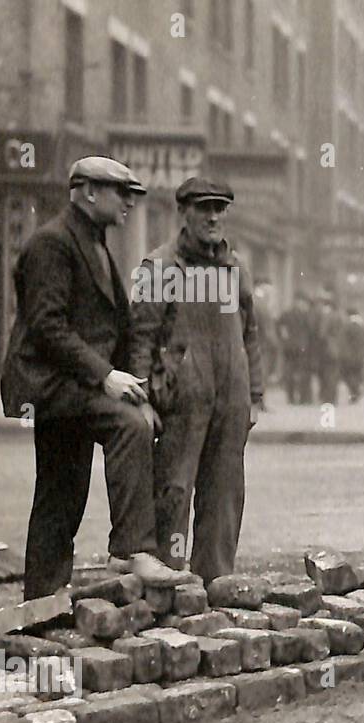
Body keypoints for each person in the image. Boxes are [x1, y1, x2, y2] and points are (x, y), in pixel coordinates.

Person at [0, 156, 190, 598]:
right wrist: (106, 377)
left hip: (73, 385)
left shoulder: (94, 243)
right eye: (120, 193)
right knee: (125, 429)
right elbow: (47, 327)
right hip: (50, 385)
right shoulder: (52, 243)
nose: (128, 203)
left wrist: (137, 389)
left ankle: (44, 600)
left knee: (61, 494)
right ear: (87, 192)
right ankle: (130, 549)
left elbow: (115, 328)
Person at [130, 177, 262, 585]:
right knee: (174, 492)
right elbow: (141, 337)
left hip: (232, 400)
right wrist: (140, 398)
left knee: (224, 495)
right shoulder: (161, 267)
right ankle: (170, 586)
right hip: (181, 402)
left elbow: (251, 333)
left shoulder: (234, 269)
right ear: (182, 212)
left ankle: (216, 585)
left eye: (220, 209)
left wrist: (254, 395)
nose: (213, 217)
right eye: (204, 208)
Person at [278, 292, 313, 405]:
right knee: (302, 372)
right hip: (303, 348)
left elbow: (280, 328)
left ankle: (291, 398)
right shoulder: (306, 315)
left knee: (290, 372)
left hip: (290, 347)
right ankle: (303, 398)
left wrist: (285, 339)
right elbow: (311, 332)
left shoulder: (286, 314)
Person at [339, 310, 364, 403]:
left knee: (350, 376)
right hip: (360, 356)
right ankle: (356, 393)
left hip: (349, 357)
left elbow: (343, 342)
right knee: (357, 375)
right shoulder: (362, 326)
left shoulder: (347, 327)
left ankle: (354, 394)